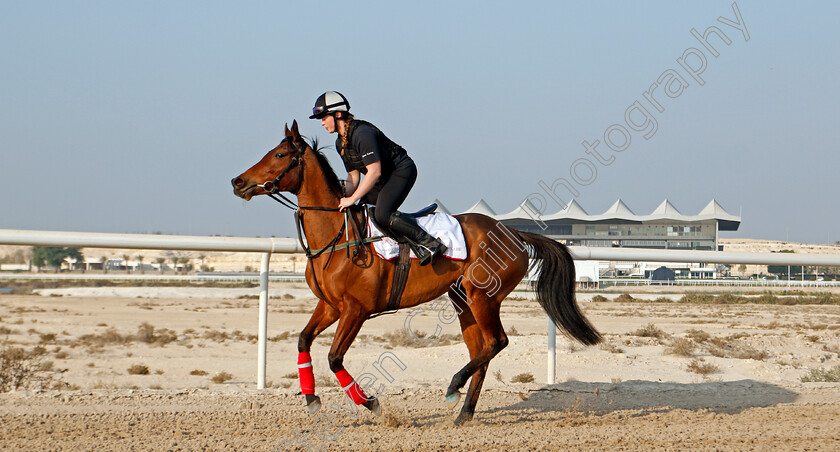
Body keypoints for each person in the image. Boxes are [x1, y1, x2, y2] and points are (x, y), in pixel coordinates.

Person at [309, 91, 446, 266]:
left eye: (323, 117)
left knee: (382, 214)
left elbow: (374, 172)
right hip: (382, 177)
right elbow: (353, 177)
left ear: (338, 114)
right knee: (360, 211)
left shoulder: (362, 134)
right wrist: (341, 198)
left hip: (401, 171)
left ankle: (429, 242)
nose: (321, 123)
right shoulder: (340, 143)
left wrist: (352, 198)